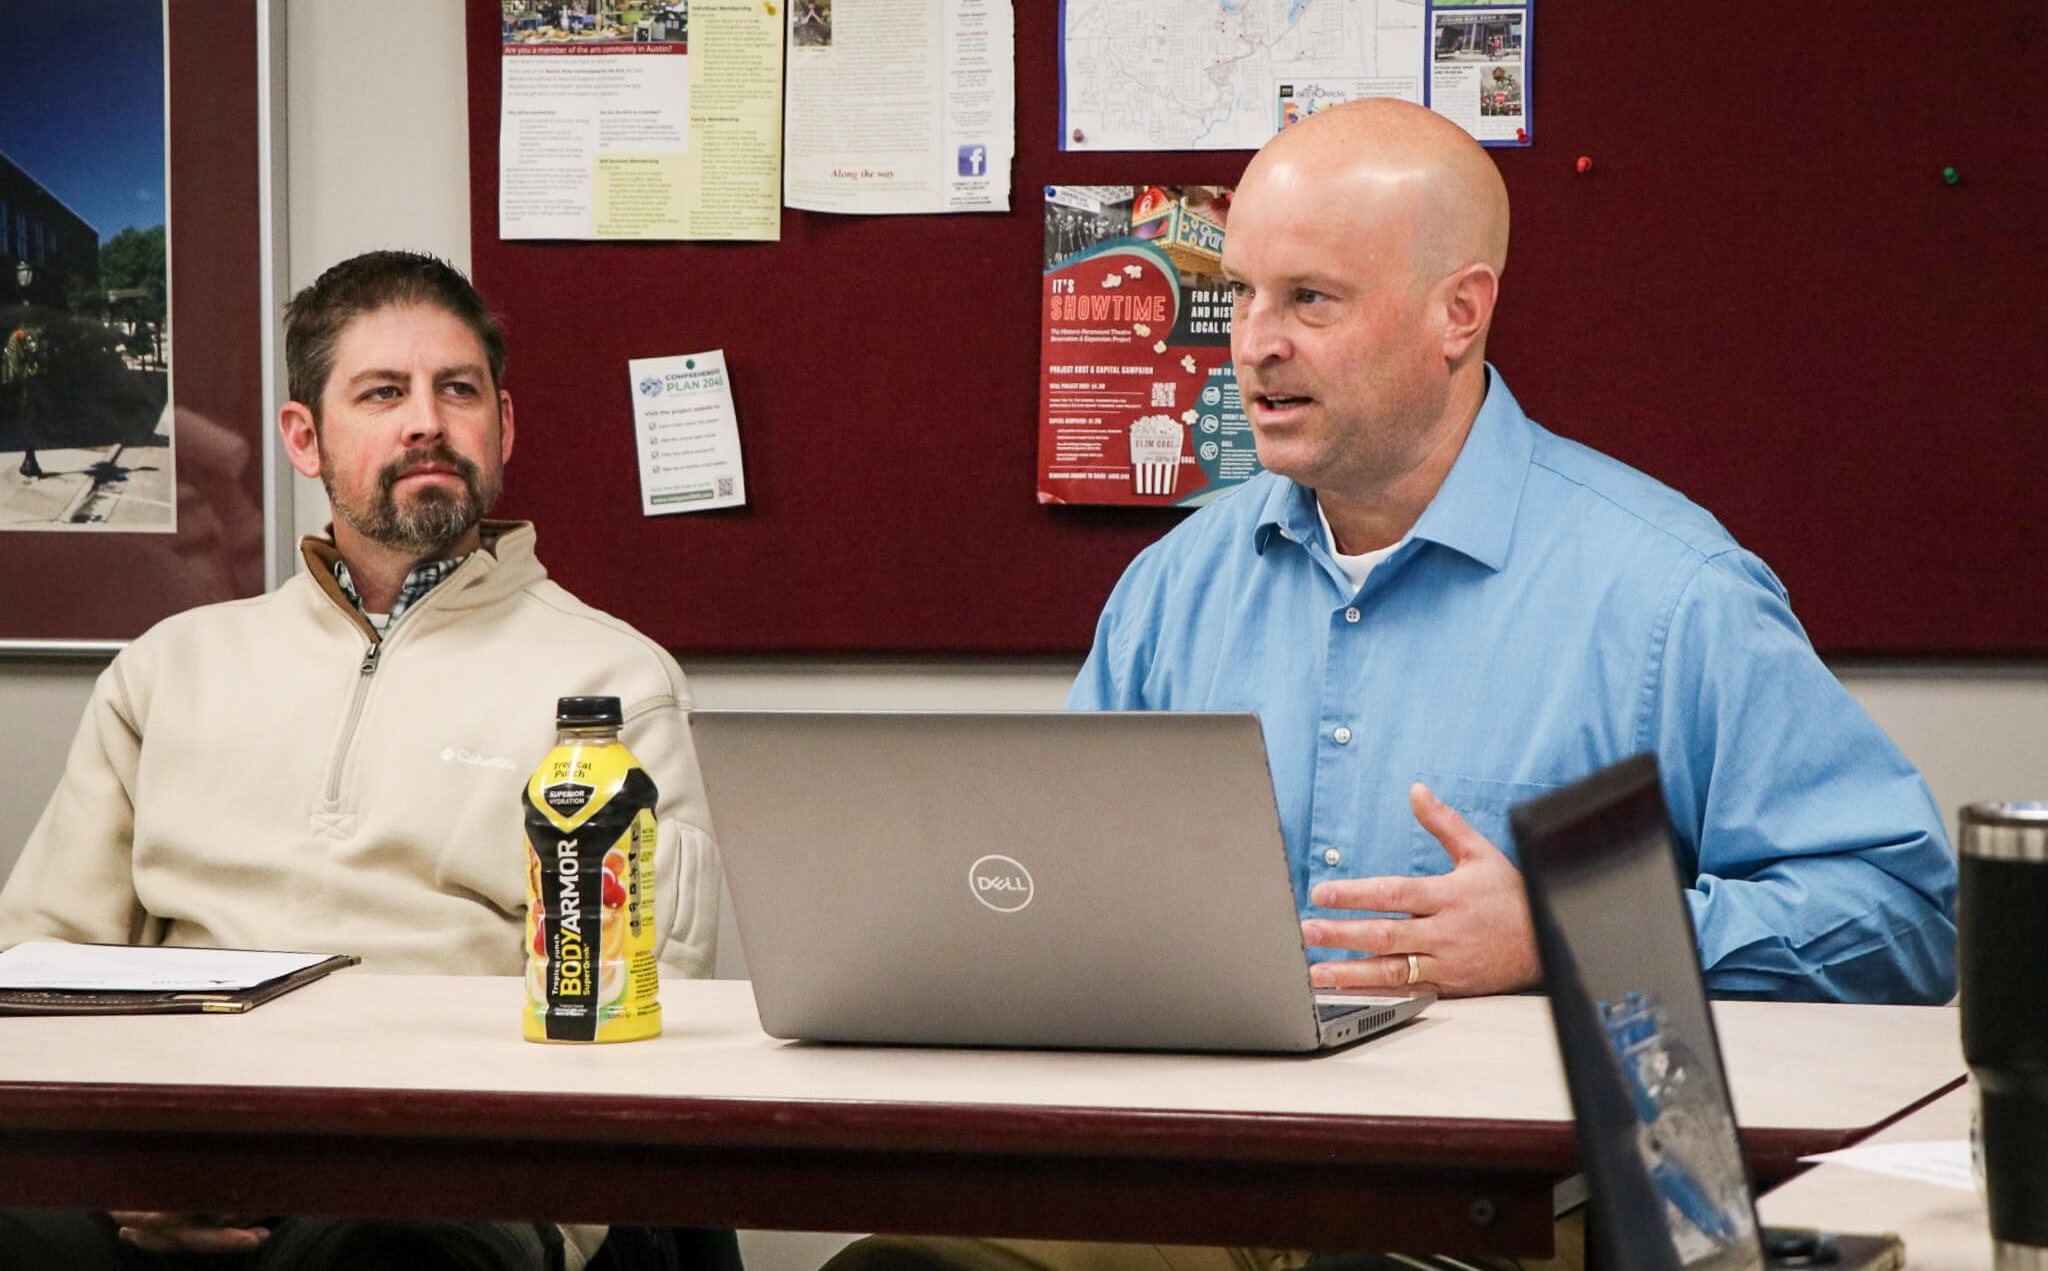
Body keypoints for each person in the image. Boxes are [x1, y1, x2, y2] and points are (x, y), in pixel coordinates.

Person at [821, 98, 1956, 1271]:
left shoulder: (1668, 596)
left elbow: (1901, 915)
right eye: (1242, 293)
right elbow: (1059, 897)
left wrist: (1567, 937)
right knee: (893, 1267)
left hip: (1534, 1202)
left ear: (1455, 313)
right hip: (1209, 1182)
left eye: (1309, 300)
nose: (1252, 343)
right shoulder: (1175, 590)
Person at [0, 250, 721, 1271]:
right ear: (305, 437)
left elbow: (647, 1009)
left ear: (501, 428)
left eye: (456, 390)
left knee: (391, 1252)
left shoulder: (611, 684)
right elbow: (36, 977)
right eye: (382, 393)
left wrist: (524, 1205)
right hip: (169, 1155)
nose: (425, 420)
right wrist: (123, 1176)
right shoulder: (169, 668)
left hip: (450, 1166)